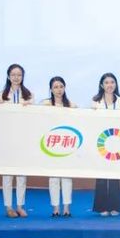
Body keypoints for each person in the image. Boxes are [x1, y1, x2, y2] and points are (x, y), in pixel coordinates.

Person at [0, 63, 33, 218]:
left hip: (23, 139)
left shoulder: (29, 95)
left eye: (19, 75)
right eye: (13, 75)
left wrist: (30, 106)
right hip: (7, 139)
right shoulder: (2, 95)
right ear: (8, 76)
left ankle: (19, 205)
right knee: (7, 175)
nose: (16, 77)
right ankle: (8, 207)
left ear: (22, 76)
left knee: (21, 175)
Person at [91, 72, 120, 216]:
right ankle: (101, 207)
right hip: (101, 140)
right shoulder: (95, 101)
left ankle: (115, 206)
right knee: (101, 175)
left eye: (112, 82)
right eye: (106, 82)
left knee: (114, 174)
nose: (109, 85)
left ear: (115, 84)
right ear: (101, 85)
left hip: (117, 140)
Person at [41, 76, 76, 217]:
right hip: (51, 144)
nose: (59, 89)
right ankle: (55, 207)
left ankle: (67, 207)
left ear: (65, 88)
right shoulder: (45, 105)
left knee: (67, 177)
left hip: (67, 144)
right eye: (55, 87)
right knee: (53, 178)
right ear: (51, 89)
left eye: (61, 86)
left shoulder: (72, 105)